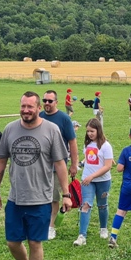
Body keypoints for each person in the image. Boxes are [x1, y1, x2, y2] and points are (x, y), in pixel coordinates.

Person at [0, 91, 71, 260]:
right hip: (16, 197)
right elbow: (1, 160)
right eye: (23, 106)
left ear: (38, 108)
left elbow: (60, 164)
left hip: (41, 198)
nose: (26, 110)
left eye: (30, 106)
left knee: (35, 243)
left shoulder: (51, 130)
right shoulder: (10, 129)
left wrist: (66, 194)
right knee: (12, 242)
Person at [39, 90, 79, 240]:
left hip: (57, 166)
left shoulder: (64, 119)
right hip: (40, 165)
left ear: (56, 102)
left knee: (54, 197)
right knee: (40, 196)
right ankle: (41, 223)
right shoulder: (39, 116)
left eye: (50, 101)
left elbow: (72, 142)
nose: (47, 103)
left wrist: (74, 164)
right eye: (44, 100)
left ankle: (51, 227)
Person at [73, 119, 114, 247]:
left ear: (98, 130)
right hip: (87, 181)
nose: (90, 134)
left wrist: (92, 176)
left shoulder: (106, 146)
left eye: (92, 131)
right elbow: (88, 159)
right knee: (85, 205)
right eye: (88, 131)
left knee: (102, 205)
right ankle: (82, 236)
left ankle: (103, 228)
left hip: (103, 181)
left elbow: (107, 166)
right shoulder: (87, 144)